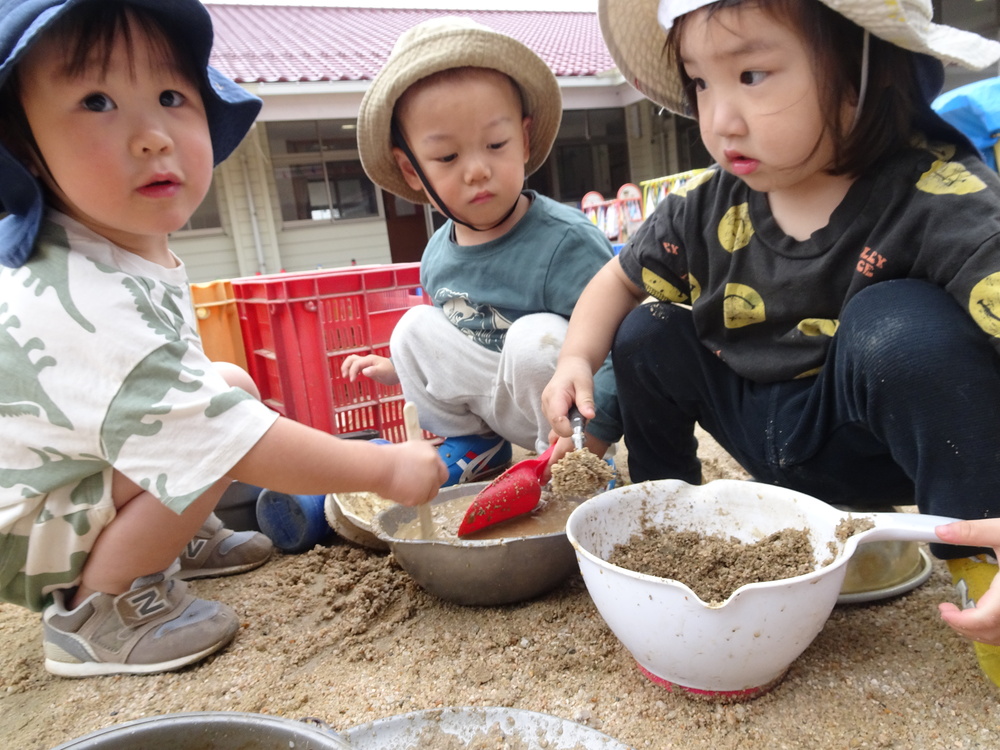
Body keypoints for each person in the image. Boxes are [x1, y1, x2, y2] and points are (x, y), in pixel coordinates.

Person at [542, 0, 1000, 687]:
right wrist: (575, 358)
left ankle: (982, 568)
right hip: (753, 421)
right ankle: (666, 527)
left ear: (863, 70)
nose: (720, 118)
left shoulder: (936, 192)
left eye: (752, 73)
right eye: (700, 82)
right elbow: (617, 281)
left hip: (863, 439)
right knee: (651, 328)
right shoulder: (707, 206)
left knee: (902, 327)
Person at [0, 0, 446, 678]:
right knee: (212, 435)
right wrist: (386, 470)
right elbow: (227, 437)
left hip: (58, 487)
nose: (152, 134)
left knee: (226, 383)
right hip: (26, 534)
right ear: (25, 144)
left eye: (172, 95)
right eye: (97, 101)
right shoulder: (83, 298)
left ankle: (163, 548)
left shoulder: (104, 246)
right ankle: (100, 611)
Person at [344, 17, 621, 486]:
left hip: (561, 414)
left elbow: (615, 349)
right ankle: (477, 446)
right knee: (412, 327)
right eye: (448, 157)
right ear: (411, 170)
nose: (476, 170)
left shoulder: (564, 242)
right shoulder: (438, 254)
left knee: (537, 337)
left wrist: (596, 433)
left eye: (495, 144)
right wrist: (400, 367)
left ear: (525, 139)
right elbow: (460, 334)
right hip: (493, 402)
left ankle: (573, 464)